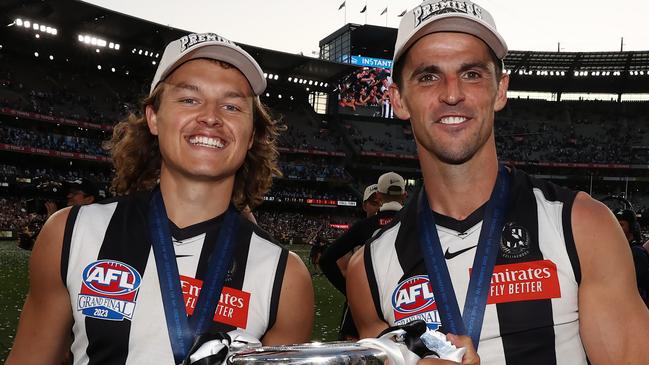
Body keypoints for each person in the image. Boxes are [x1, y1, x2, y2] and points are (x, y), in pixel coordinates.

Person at [346, 1, 649, 364]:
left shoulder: (584, 226)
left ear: (500, 89)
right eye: (428, 76)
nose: (452, 93)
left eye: (471, 73)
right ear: (398, 99)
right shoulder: (369, 268)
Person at [7, 32, 314, 365]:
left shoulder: (285, 277)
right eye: (189, 99)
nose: (211, 117)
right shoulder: (70, 232)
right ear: (153, 117)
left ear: (251, 135)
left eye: (232, 105)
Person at [320, 174, 407, 340]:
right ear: (404, 195)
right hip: (404, 302)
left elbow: (326, 259)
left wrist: (350, 290)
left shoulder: (364, 226)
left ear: (379, 196)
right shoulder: (417, 226)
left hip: (364, 306)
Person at [615, 209, 649, 307]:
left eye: (621, 224)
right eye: (615, 224)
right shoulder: (621, 250)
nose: (617, 227)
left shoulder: (637, 253)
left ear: (632, 228)